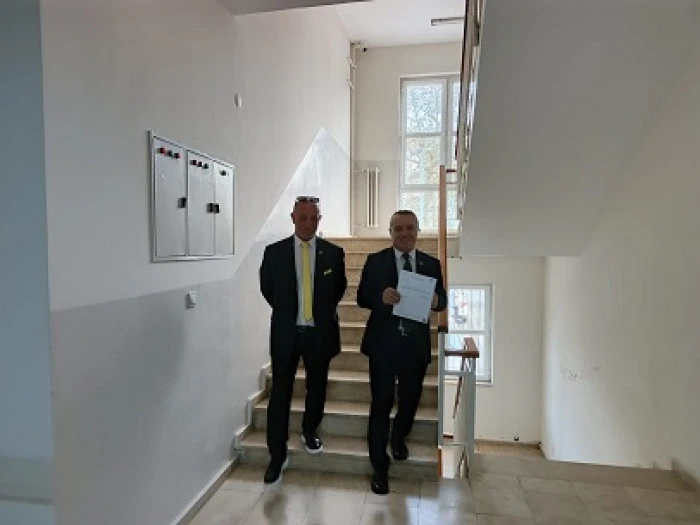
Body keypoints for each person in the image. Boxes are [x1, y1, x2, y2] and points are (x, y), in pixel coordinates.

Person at [356, 210, 447, 495]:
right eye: (398, 228)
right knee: (381, 404)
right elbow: (361, 297)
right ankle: (379, 467)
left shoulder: (431, 264)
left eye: (409, 228)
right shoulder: (375, 261)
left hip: (414, 346)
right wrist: (380, 297)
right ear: (391, 232)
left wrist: (436, 300)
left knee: (410, 400)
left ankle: (399, 436)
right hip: (383, 345)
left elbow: (443, 300)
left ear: (417, 231)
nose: (404, 233)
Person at [259, 196, 347, 485]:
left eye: (313, 218)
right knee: (280, 394)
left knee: (317, 387)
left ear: (319, 219)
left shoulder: (333, 254)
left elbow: (338, 290)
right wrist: (290, 314)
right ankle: (277, 454)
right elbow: (268, 289)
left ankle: (310, 431)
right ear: (293, 218)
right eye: (303, 217)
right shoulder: (274, 253)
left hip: (319, 333)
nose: (308, 223)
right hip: (286, 334)